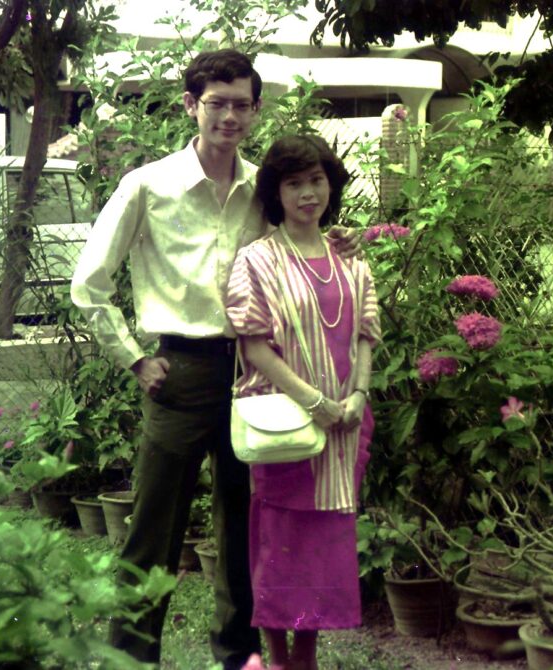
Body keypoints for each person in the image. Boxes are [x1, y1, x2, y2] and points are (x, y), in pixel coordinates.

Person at [70, 50, 357, 669]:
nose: (230, 116)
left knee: (244, 522)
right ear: (190, 105)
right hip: (181, 372)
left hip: (257, 373)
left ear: (255, 110)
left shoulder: (263, 187)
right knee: (154, 527)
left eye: (241, 105)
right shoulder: (147, 185)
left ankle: (238, 654)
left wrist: (335, 238)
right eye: (216, 103)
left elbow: (298, 238)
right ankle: (131, 658)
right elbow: (88, 283)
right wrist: (132, 359)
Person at [226, 134, 381, 670]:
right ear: (276, 192)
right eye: (294, 183)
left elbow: (367, 332)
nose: (308, 193)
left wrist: (357, 394)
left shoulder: (350, 259)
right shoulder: (256, 260)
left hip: (345, 427)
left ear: (330, 186)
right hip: (285, 425)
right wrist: (316, 403)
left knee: (323, 545)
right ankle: (277, 659)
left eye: (316, 180)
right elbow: (253, 345)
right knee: (279, 543)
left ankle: (306, 659)